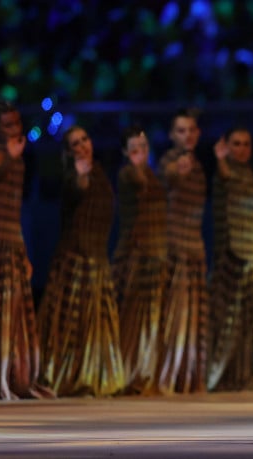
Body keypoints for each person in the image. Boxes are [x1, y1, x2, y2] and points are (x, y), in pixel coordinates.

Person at [37, 126, 125, 396]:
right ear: (69, 150)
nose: (83, 145)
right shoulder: (72, 175)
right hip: (75, 261)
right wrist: (80, 175)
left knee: (98, 325)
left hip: (98, 260)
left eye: (85, 139)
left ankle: (96, 376)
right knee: (70, 327)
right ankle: (63, 377)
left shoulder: (100, 174)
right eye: (76, 143)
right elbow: (77, 187)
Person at [0, 102, 53, 400]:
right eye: (8, 125)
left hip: (12, 240)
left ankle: (12, 376)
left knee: (15, 312)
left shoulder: (17, 159)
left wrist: (22, 251)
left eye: (17, 123)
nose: (15, 129)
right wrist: (11, 154)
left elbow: (15, 209)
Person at [207, 127, 253, 391]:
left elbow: (250, 221)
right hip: (233, 258)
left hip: (252, 254)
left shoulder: (250, 175)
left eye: (246, 144)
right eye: (235, 144)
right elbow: (225, 177)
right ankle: (222, 376)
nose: (241, 149)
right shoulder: (225, 173)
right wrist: (220, 159)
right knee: (230, 323)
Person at [155, 108, 208, 394]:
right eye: (181, 131)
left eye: (191, 130)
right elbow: (168, 175)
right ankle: (170, 377)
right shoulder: (171, 161)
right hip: (175, 248)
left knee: (192, 319)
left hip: (195, 249)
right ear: (171, 135)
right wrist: (178, 171)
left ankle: (187, 378)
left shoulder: (197, 164)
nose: (187, 135)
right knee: (176, 316)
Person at [113, 127, 168, 395]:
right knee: (133, 318)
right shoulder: (128, 174)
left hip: (155, 254)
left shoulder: (150, 175)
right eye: (134, 148)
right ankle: (128, 372)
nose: (141, 153)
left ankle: (145, 371)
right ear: (125, 152)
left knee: (149, 319)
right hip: (136, 253)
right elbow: (136, 185)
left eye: (144, 147)